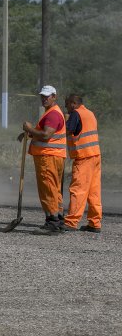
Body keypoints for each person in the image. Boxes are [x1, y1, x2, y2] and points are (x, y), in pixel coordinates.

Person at [22, 85, 67, 235]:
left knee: (48, 189)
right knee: (54, 188)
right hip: (54, 156)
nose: (44, 98)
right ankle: (59, 220)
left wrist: (29, 129)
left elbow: (46, 135)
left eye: (47, 96)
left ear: (54, 96)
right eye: (42, 96)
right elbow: (43, 134)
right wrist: (30, 135)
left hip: (48, 157)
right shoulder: (52, 112)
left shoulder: (53, 114)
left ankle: (52, 221)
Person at [62, 94, 102, 233]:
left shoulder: (76, 113)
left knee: (78, 190)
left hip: (84, 157)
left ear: (73, 103)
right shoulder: (90, 113)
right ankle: (95, 222)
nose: (66, 108)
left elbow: (68, 130)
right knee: (93, 191)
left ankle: (71, 222)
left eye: (67, 105)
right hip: (95, 155)